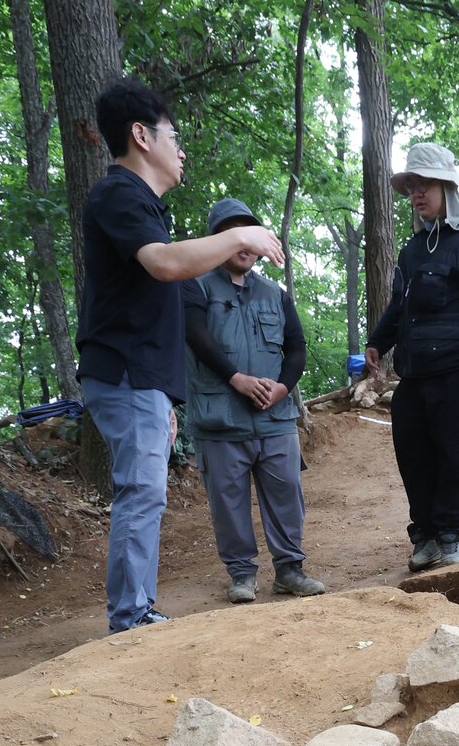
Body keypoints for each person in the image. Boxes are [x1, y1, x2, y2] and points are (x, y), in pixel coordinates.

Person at [76, 78, 284, 631]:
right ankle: (130, 617)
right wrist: (246, 236)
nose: (181, 148)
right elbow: (166, 265)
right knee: (141, 493)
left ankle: (135, 610)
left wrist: (165, 399)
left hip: (139, 379)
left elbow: (146, 301)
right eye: (174, 135)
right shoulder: (119, 192)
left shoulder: (139, 203)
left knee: (145, 493)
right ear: (141, 135)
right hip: (123, 373)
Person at [366, 143, 459, 571]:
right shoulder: (412, 252)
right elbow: (399, 306)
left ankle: (451, 536)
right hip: (415, 376)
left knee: (455, 454)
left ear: (447, 187)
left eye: (424, 184)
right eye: (411, 186)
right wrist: (379, 340)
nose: (416, 193)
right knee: (413, 454)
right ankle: (424, 536)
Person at [182, 200, 324, 603]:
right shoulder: (195, 285)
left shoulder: (274, 293)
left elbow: (296, 347)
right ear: (218, 240)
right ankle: (242, 575)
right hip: (219, 419)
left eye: (249, 231)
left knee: (286, 496)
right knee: (228, 503)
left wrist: (282, 387)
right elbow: (195, 335)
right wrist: (236, 379)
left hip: (275, 418)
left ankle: (289, 570)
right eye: (232, 232)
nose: (243, 240)